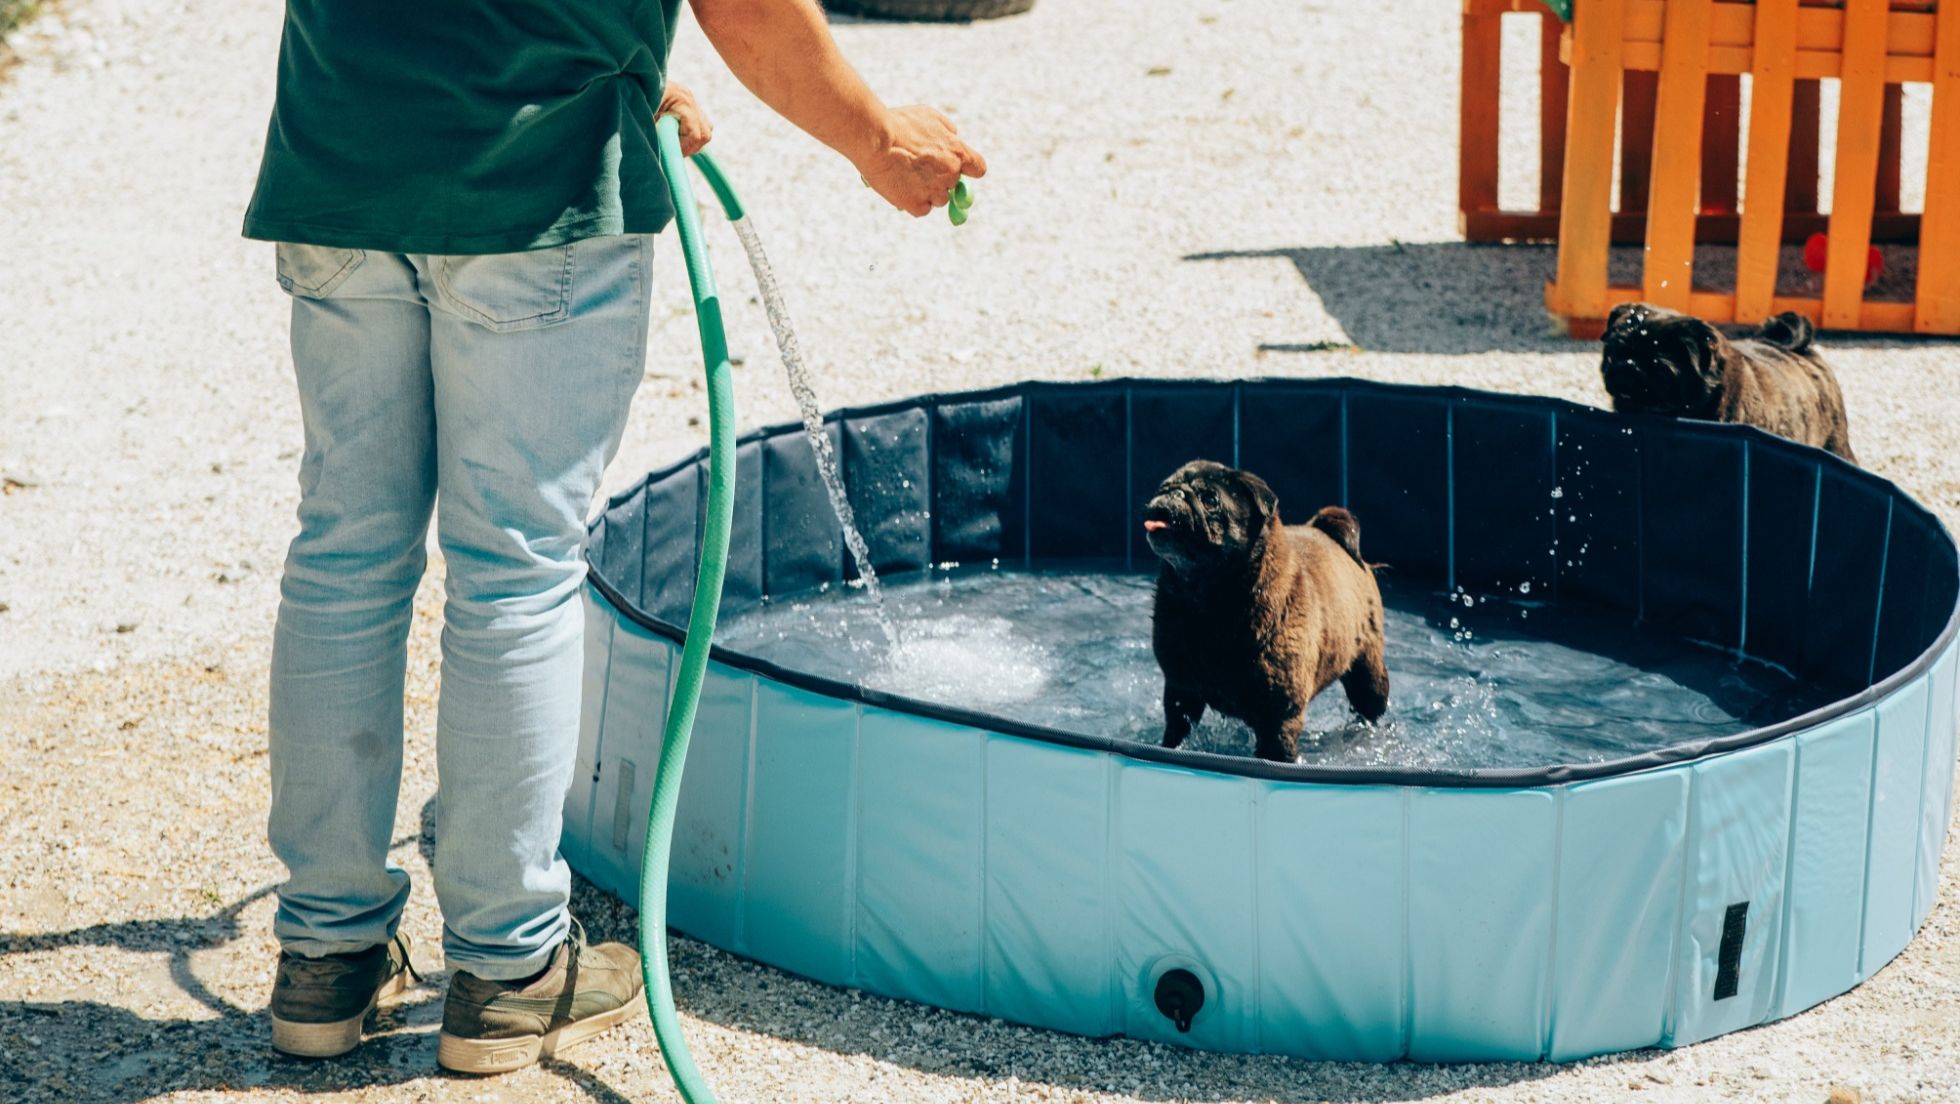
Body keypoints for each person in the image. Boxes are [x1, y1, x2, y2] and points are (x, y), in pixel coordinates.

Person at [243, 0, 986, 1074]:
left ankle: (323, 956)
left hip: (345, 146)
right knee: (511, 572)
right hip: (533, 171)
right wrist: (876, 138)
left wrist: (624, 62)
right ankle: (509, 967)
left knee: (343, 559)